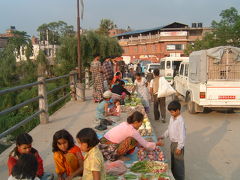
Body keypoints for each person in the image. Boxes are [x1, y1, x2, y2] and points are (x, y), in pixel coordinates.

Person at [99, 111, 164, 161]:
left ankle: (118, 153)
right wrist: (156, 144)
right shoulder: (132, 131)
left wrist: (141, 144)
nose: (141, 125)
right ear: (136, 122)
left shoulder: (125, 123)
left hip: (101, 144)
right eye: (140, 123)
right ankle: (117, 156)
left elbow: (140, 142)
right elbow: (146, 145)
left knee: (134, 140)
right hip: (107, 150)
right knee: (131, 140)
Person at [159, 101, 186, 180]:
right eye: (170, 112)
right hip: (172, 143)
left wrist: (179, 147)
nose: (171, 113)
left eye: (172, 112)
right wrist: (163, 136)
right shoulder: (172, 118)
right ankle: (174, 176)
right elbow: (169, 129)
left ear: (178, 110)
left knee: (179, 163)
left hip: (177, 144)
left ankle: (180, 177)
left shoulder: (180, 121)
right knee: (173, 161)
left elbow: (182, 135)